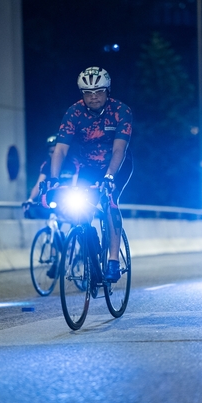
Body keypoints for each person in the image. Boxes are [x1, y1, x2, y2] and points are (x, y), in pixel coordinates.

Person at [48, 66, 133, 283]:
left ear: (108, 91)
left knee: (110, 202)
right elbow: (60, 149)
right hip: (88, 166)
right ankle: (89, 240)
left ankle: (113, 260)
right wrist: (53, 179)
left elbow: (118, 150)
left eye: (98, 92)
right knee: (80, 207)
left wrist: (110, 177)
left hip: (117, 165)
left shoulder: (121, 111)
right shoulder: (74, 113)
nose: (93, 97)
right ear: (82, 94)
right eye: (88, 93)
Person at [23, 135, 78, 219]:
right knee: (53, 222)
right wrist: (30, 199)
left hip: (69, 199)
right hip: (54, 200)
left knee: (76, 219)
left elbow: (76, 183)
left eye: (55, 152)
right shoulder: (46, 165)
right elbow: (38, 185)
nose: (53, 155)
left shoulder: (73, 163)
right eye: (50, 152)